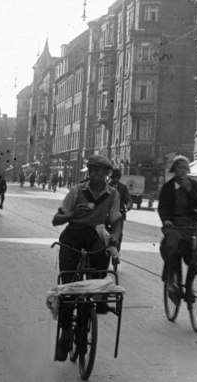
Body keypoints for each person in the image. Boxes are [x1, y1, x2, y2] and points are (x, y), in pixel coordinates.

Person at [51, 154, 122, 361]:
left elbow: (116, 220)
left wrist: (115, 238)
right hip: (73, 233)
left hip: (95, 234)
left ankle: (98, 297)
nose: (93, 174)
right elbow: (56, 219)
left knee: (101, 257)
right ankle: (65, 333)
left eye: (98, 171)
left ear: (107, 174)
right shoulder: (77, 191)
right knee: (69, 285)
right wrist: (73, 215)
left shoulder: (113, 194)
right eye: (91, 170)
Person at [158, 156, 197, 304]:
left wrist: (191, 190)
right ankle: (171, 280)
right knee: (172, 246)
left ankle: (189, 286)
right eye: (180, 168)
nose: (183, 171)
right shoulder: (168, 187)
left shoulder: (193, 184)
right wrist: (166, 220)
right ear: (174, 170)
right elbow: (162, 207)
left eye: (186, 168)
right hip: (174, 224)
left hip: (190, 224)